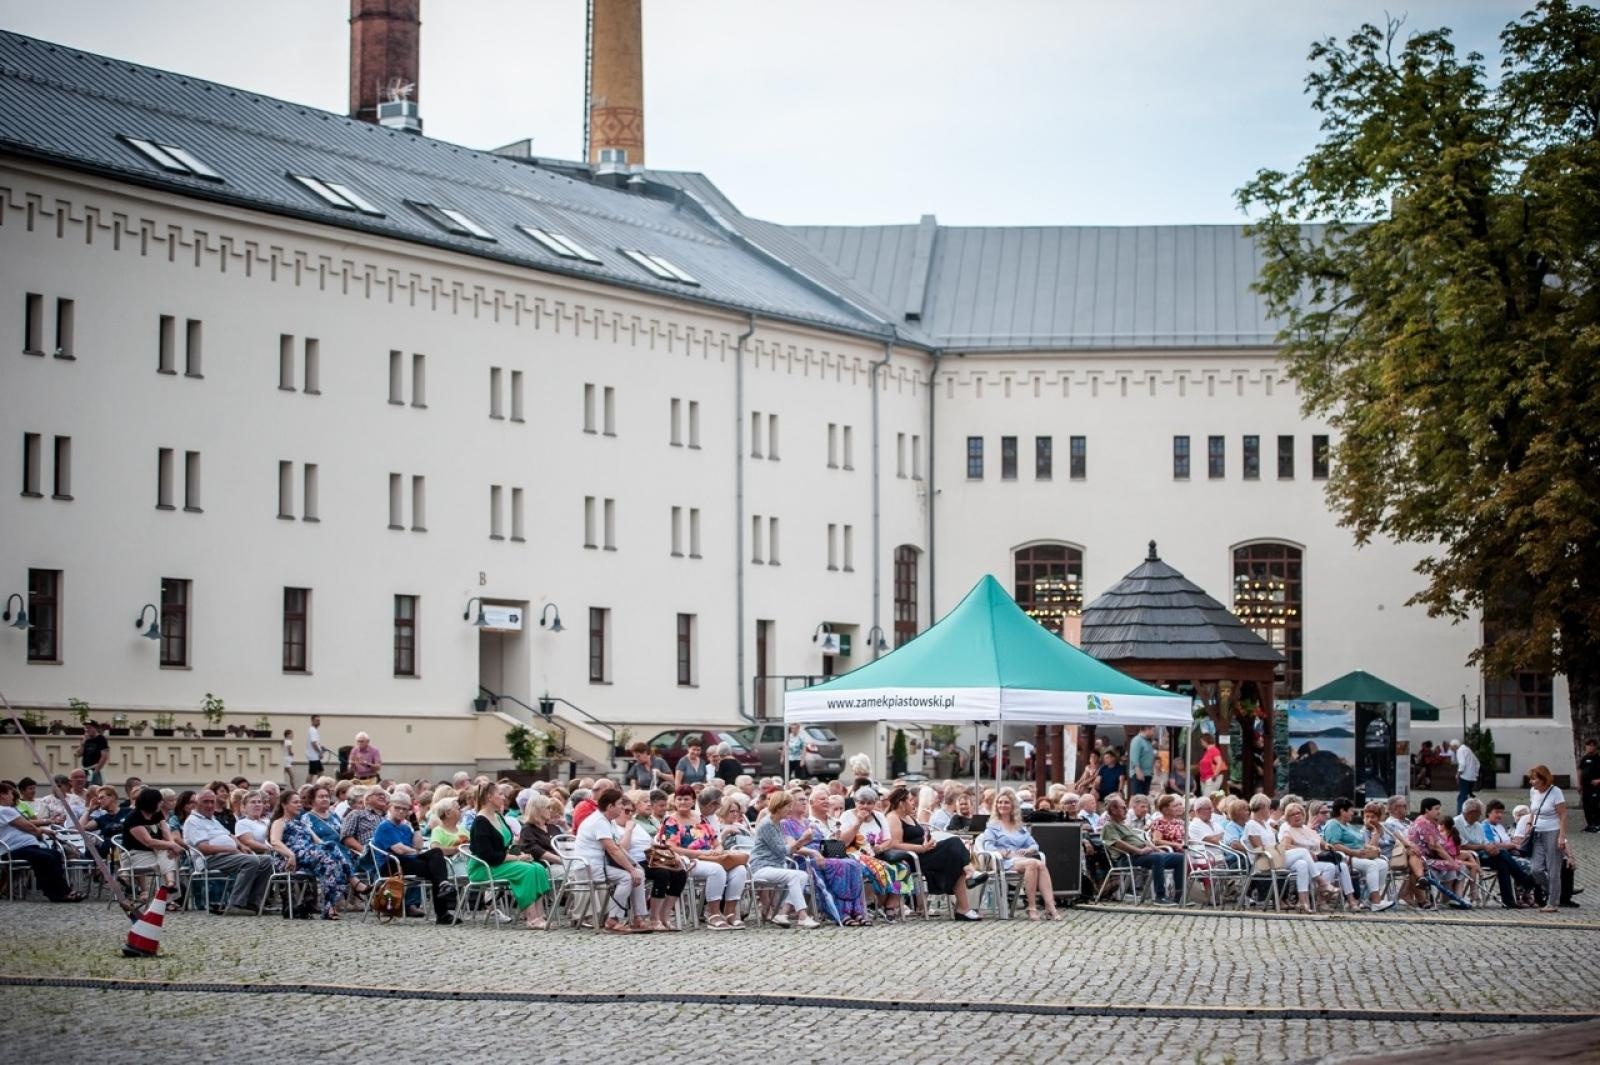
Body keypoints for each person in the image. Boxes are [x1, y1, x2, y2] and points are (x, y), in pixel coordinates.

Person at [883, 785, 984, 920]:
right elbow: (895, 845)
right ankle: (970, 872)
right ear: (901, 803)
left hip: (925, 853)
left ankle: (963, 908)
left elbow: (919, 836)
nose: (913, 803)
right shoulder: (893, 818)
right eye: (910, 800)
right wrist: (922, 848)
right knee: (954, 842)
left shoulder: (909, 817)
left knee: (957, 858)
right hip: (913, 858)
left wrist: (929, 842)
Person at [656, 785, 747, 929]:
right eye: (679, 799)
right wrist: (701, 854)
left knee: (740, 869)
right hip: (686, 860)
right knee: (716, 870)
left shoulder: (702, 819)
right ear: (674, 801)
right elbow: (671, 847)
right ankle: (713, 914)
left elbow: (716, 842)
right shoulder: (670, 822)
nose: (682, 802)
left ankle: (730, 913)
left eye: (686, 799)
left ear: (693, 801)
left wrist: (718, 850)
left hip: (709, 857)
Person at [469, 781, 550, 929]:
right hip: (484, 867)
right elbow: (489, 855)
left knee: (538, 867)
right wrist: (518, 858)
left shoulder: (499, 817)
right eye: (500, 794)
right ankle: (531, 917)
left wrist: (521, 850)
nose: (504, 797)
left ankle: (540, 914)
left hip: (502, 862)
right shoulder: (481, 822)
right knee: (527, 870)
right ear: (489, 797)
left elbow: (507, 843)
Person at [183, 789, 275, 913]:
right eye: (206, 802)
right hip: (208, 859)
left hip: (227, 856)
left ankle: (253, 904)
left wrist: (241, 846)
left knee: (267, 861)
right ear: (196, 804)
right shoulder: (194, 821)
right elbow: (204, 849)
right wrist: (231, 849)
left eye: (212, 802)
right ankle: (235, 905)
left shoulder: (212, 819)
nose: (210, 805)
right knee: (250, 861)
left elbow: (229, 835)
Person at [788, 788, 869, 924]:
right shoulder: (786, 823)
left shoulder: (809, 823)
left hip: (824, 857)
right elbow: (791, 848)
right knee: (841, 865)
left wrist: (835, 842)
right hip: (806, 860)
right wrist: (813, 852)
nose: (804, 802)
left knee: (853, 864)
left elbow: (823, 845)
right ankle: (840, 912)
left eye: (804, 800)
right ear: (790, 803)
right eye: (800, 800)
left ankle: (856, 911)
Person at [372, 793, 456, 923]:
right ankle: (443, 911)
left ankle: (442, 887)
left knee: (437, 853)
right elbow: (399, 849)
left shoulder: (405, 827)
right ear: (390, 807)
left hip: (407, 861)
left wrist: (415, 825)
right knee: (436, 872)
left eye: (405, 809)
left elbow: (419, 845)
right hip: (391, 865)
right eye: (397, 808)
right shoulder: (385, 826)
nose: (401, 811)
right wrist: (416, 852)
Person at [577, 788, 651, 933]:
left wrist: (635, 866)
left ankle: (638, 918)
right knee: (627, 877)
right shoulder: (599, 821)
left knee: (638, 873)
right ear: (610, 807)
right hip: (587, 868)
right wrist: (630, 869)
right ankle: (612, 920)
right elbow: (613, 850)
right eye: (620, 804)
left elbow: (618, 848)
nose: (623, 808)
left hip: (597, 866)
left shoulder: (608, 821)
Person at [268, 791, 351, 919]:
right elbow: (275, 842)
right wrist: (291, 855)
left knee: (331, 863)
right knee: (330, 856)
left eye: (300, 802)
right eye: (295, 802)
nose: (299, 805)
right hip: (290, 860)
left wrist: (332, 854)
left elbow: (319, 842)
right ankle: (352, 880)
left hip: (310, 858)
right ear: (284, 805)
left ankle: (329, 908)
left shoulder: (302, 823)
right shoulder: (279, 822)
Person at [745, 790, 821, 928]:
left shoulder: (779, 823)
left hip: (776, 866)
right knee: (796, 876)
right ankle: (803, 916)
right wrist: (802, 840)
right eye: (788, 806)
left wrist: (800, 842)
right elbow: (782, 851)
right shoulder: (767, 824)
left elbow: (787, 849)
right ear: (779, 806)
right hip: (761, 867)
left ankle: (782, 914)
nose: (790, 809)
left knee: (802, 876)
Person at [837, 787, 913, 919]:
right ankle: (877, 903)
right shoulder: (847, 816)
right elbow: (843, 842)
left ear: (874, 803)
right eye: (862, 802)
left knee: (903, 867)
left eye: (869, 803)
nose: (865, 806)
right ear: (855, 802)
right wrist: (858, 822)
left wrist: (881, 847)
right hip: (855, 856)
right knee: (881, 868)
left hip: (877, 854)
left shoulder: (879, 816)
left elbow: (888, 840)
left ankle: (890, 905)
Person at [981, 788, 1058, 920]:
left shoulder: (1019, 827)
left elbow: (1034, 845)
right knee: (1033, 863)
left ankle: (1050, 906)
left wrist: (1028, 850)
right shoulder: (992, 826)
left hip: (1021, 859)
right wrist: (1001, 852)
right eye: (1000, 802)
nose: (1002, 805)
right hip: (1002, 861)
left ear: (1013, 806)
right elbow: (987, 846)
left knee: (1039, 864)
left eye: (1006, 802)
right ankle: (1032, 907)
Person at [0, 780, 82, 902]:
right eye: (11, 793)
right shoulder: (4, 810)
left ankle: (55, 892)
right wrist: (40, 832)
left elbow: (27, 824)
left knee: (54, 855)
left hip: (24, 847)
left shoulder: (6, 810)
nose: (13, 796)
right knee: (46, 858)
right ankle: (63, 892)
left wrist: (44, 831)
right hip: (14, 849)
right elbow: (27, 826)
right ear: (3, 795)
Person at [1101, 794, 1183, 905]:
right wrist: (1139, 851)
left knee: (1180, 858)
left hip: (1143, 855)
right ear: (1113, 810)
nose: (1126, 810)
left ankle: (1178, 896)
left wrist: (1157, 849)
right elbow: (1118, 843)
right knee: (1157, 858)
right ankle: (1160, 896)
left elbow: (1143, 841)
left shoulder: (1124, 825)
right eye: (1123, 808)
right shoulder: (1109, 826)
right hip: (1127, 858)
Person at [1323, 797, 1392, 912]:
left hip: (1359, 855)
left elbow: (1359, 843)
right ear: (1342, 811)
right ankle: (1376, 901)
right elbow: (1334, 845)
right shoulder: (1333, 824)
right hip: (1346, 857)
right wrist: (1354, 852)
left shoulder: (1348, 825)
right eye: (1350, 810)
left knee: (1382, 864)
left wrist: (1370, 848)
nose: (1353, 813)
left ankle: (1369, 899)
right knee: (1372, 866)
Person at [1406, 797, 1471, 909]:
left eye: (1439, 809)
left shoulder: (1428, 822)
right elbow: (1436, 847)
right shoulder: (1423, 823)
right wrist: (1451, 861)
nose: (1439, 811)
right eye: (1436, 809)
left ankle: (1447, 899)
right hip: (1424, 860)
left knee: (1458, 866)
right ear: (1427, 810)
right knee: (1457, 866)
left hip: (1428, 858)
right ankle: (1448, 899)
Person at [119, 785, 183, 893]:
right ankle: (162, 893)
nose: (161, 804)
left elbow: (166, 833)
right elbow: (148, 842)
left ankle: (169, 887)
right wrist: (172, 845)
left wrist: (172, 846)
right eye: (159, 801)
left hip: (155, 851)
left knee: (168, 854)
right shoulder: (133, 818)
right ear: (151, 803)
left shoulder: (157, 813)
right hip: (135, 853)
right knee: (162, 861)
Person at [1522, 764, 1568, 913]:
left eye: (1534, 779)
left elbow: (1563, 815)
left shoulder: (1556, 792)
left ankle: (1553, 902)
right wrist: (1530, 822)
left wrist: (1562, 836)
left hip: (1553, 831)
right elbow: (1534, 810)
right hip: (1538, 832)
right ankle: (1554, 891)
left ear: (1543, 779)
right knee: (1536, 869)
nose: (1531, 782)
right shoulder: (1533, 792)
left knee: (1553, 868)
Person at [74, 721, 110, 786]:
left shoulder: (101, 739)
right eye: (85, 728)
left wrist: (96, 771)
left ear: (95, 728)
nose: (87, 730)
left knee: (95, 790)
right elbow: (78, 754)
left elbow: (104, 756)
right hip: (85, 770)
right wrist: (83, 744)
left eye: (89, 728)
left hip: (95, 769)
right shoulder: (85, 739)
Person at [1451, 739, 1479, 814]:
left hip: (1464, 777)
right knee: (1466, 797)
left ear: (1455, 746)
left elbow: (1462, 764)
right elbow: (1477, 762)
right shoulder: (1467, 749)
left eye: (1452, 748)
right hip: (1472, 777)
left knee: (1462, 798)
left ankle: (1461, 814)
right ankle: (1469, 812)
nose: (1452, 750)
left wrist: (1458, 774)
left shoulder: (1460, 750)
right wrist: (1475, 775)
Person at [1128, 726, 1156, 796]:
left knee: (1144, 797)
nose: (1153, 733)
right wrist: (1138, 771)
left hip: (1147, 774)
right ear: (1147, 729)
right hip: (1139, 774)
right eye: (1153, 731)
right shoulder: (1137, 740)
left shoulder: (1148, 741)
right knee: (1138, 797)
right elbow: (1134, 757)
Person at [1579, 738, 1600, 834]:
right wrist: (1579, 784)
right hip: (1585, 787)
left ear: (1596, 747)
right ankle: (1590, 824)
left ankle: (1597, 824)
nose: (1590, 747)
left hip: (1596, 788)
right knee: (1586, 806)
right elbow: (1580, 770)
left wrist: (1598, 780)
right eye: (1588, 745)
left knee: (1595, 805)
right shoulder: (1584, 758)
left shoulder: (1598, 758)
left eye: (1592, 745)